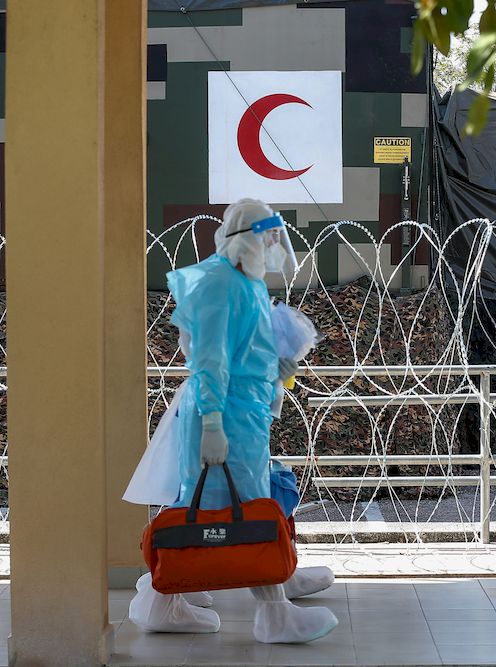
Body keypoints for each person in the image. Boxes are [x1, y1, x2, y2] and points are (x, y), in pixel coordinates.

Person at [127, 199, 338, 644]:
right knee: (242, 507)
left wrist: (277, 368)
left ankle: (162, 601)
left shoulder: (243, 283)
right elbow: (208, 361)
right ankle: (274, 613)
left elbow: (244, 350)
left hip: (242, 415)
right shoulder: (220, 285)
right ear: (251, 237)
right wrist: (212, 425)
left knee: (213, 506)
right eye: (270, 238)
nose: (274, 247)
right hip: (224, 416)